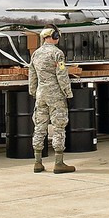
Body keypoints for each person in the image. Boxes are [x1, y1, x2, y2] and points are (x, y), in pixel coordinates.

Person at [28, 25, 75, 173]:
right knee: (59, 127)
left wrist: (33, 92)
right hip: (56, 96)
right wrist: (68, 93)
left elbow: (32, 75)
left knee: (39, 127)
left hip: (41, 94)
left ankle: (37, 162)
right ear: (53, 36)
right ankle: (59, 163)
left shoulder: (36, 54)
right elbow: (62, 75)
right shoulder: (57, 54)